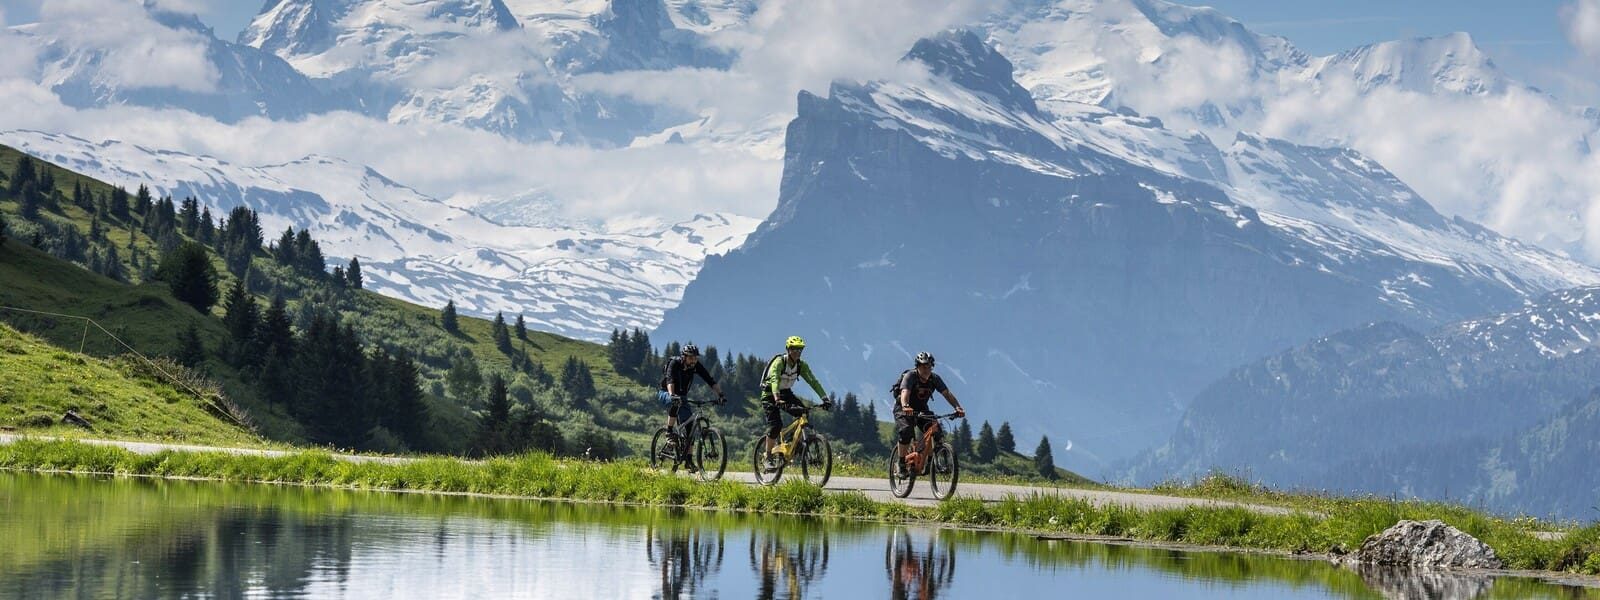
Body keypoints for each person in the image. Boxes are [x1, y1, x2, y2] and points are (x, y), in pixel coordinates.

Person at [759, 336, 831, 462]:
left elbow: (813, 381)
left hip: (786, 393)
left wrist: (825, 399)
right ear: (788, 349)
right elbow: (775, 380)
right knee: (776, 426)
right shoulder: (779, 362)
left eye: (800, 350)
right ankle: (768, 456)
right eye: (794, 349)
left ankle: (790, 443)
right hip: (770, 395)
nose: (797, 352)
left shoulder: (801, 365)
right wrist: (776, 398)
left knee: (803, 412)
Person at [895, 352, 965, 464]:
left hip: (922, 409)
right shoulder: (910, 376)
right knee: (906, 432)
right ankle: (901, 463)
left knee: (936, 430)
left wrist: (958, 407)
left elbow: (947, 393)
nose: (926, 370)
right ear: (917, 366)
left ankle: (930, 462)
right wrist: (905, 406)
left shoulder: (934, 379)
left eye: (929, 367)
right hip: (903, 408)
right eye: (923, 366)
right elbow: (905, 392)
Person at [659, 344, 726, 445]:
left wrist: (720, 394)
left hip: (681, 397)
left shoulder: (695, 366)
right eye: (691, 358)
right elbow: (670, 380)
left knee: (690, 430)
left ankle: (689, 459)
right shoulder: (675, 363)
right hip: (666, 392)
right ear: (684, 357)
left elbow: (709, 380)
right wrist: (672, 395)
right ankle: (669, 432)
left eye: (695, 358)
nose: (694, 360)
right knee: (676, 403)